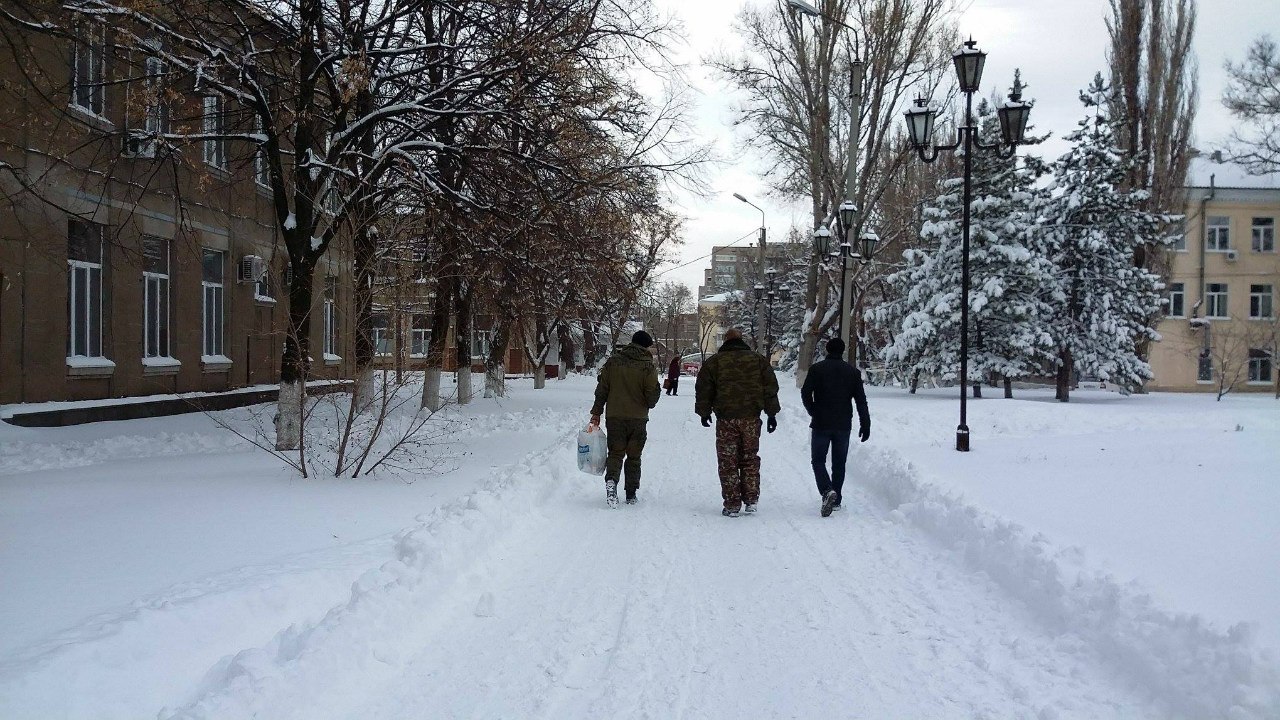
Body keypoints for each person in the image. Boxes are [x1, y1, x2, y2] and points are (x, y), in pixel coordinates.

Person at [694, 328, 780, 517]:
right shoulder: (758, 360)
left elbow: (704, 388)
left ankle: (732, 503)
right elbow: (770, 388)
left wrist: (704, 412)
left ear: (725, 341)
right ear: (742, 341)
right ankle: (751, 499)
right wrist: (771, 414)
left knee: (728, 461)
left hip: (726, 419)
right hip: (751, 417)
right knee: (750, 457)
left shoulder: (715, 362)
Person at [590, 330, 662, 508]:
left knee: (615, 453)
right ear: (646, 346)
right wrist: (657, 390)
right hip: (638, 418)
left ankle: (612, 481)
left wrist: (596, 413)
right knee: (634, 457)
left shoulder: (613, 362)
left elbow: (602, 390)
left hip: (614, 417)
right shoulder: (647, 366)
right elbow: (651, 399)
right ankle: (630, 494)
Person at [800, 338, 871, 517]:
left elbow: (805, 392)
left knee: (818, 460)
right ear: (843, 351)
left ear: (827, 349)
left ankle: (826, 490)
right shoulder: (852, 373)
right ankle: (836, 498)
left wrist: (813, 411)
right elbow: (861, 400)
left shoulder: (817, 369)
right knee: (839, 463)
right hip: (843, 424)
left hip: (821, 423)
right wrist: (865, 423)